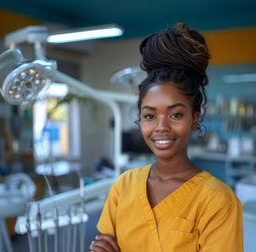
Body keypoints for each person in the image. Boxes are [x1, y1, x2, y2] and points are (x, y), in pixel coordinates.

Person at [90, 23, 243, 252]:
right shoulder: (124, 186)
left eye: (176, 114)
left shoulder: (217, 201)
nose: (161, 127)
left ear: (194, 118)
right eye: (150, 115)